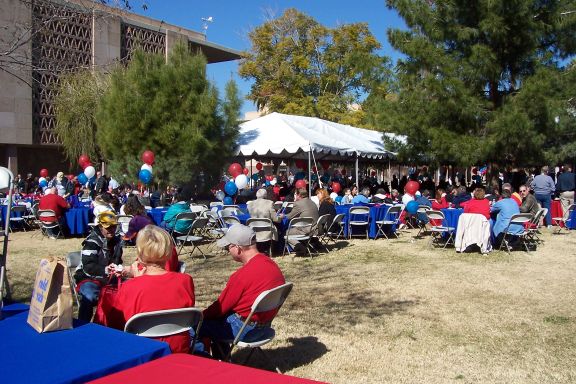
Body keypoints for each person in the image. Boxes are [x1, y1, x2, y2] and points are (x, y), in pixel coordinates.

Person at [199, 224, 285, 357]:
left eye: (228, 247)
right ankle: (223, 358)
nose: (228, 251)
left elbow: (219, 308)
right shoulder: (272, 265)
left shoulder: (242, 276)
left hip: (245, 330)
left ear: (237, 248)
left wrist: (199, 317)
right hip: (265, 326)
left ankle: (205, 365)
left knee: (196, 327)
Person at [112, 225, 195, 353]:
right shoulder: (185, 281)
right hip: (179, 349)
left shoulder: (130, 287)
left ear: (139, 254)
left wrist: (137, 280)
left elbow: (120, 320)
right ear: (168, 252)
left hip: (142, 351)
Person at [74, 211, 123, 322]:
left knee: (127, 291)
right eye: (108, 227)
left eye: (113, 227)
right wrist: (105, 270)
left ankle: (115, 324)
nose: (111, 230)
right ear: (100, 226)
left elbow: (118, 260)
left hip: (109, 278)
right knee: (89, 295)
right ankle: (83, 324)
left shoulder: (117, 242)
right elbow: (88, 267)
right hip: (88, 278)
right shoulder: (91, 242)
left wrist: (119, 269)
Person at [282, 188, 319, 256]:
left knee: (285, 233)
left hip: (306, 230)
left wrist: (282, 215)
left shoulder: (298, 204)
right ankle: (308, 245)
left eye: (296, 194)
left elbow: (289, 216)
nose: (295, 196)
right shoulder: (312, 202)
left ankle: (301, 248)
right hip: (315, 228)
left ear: (299, 195)